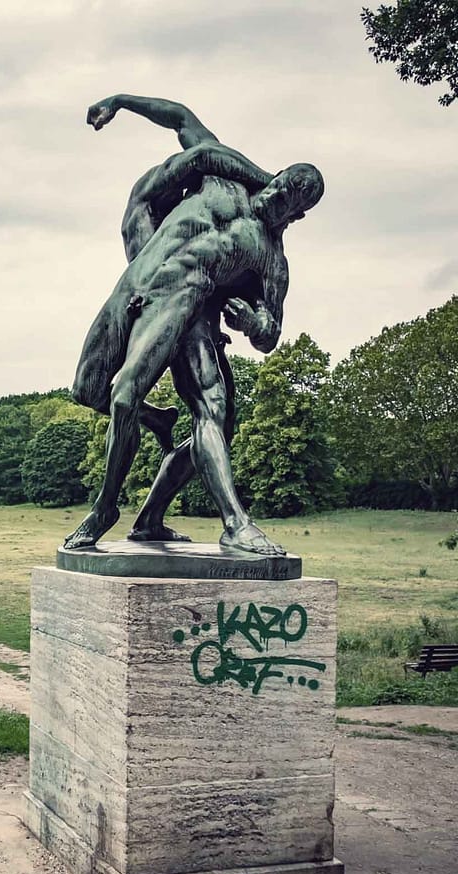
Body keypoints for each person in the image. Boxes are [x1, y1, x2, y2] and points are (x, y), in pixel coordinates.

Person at [65, 95, 324, 553]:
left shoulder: (271, 260)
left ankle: (223, 520)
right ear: (277, 174)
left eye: (287, 202)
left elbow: (271, 332)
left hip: (187, 306)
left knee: (145, 399)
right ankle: (149, 507)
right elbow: (182, 118)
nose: (275, 198)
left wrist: (252, 321)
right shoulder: (222, 177)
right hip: (136, 286)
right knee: (88, 391)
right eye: (280, 185)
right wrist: (120, 102)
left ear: (297, 215)